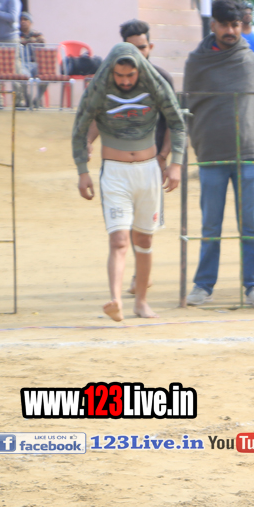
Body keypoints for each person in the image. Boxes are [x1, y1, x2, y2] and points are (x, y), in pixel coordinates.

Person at [71, 42, 186, 321]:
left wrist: (176, 164)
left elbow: (177, 122)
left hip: (148, 171)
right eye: (119, 75)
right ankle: (116, 300)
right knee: (119, 240)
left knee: (144, 239)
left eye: (130, 76)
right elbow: (80, 127)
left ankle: (141, 302)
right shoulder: (99, 87)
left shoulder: (154, 83)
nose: (124, 81)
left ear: (139, 70)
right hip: (115, 173)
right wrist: (82, 170)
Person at [183, 0, 254, 308]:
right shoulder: (197, 62)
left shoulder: (252, 63)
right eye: (225, 25)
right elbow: (189, 106)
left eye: (236, 25)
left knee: (252, 226)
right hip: (211, 155)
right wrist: (200, 140)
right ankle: (203, 285)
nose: (231, 30)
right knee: (211, 226)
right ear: (214, 26)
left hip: (247, 153)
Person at [87, 20, 177, 296]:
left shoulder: (162, 79)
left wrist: (164, 157)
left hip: (151, 162)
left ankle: (140, 279)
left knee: (144, 229)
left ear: (151, 47)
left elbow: (173, 123)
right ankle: (134, 281)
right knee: (122, 228)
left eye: (142, 47)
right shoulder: (110, 79)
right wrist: (87, 142)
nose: (138, 53)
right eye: (132, 48)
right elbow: (98, 116)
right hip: (118, 165)